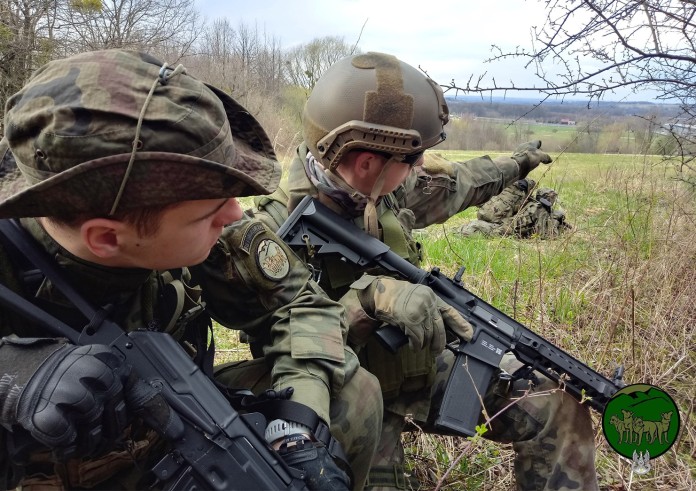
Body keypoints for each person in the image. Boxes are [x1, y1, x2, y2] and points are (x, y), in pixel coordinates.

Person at [0, 49, 383, 490]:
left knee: (348, 393)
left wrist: (297, 424)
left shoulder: (195, 219)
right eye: (210, 214)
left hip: (169, 437)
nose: (237, 215)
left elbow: (300, 304)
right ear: (106, 238)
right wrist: (14, 381)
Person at [251, 52, 599, 491]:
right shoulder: (269, 237)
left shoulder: (385, 189)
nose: (418, 169)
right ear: (366, 163)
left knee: (556, 403)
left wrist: (517, 164)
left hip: (418, 369)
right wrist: (368, 302)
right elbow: (276, 353)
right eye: (412, 158)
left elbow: (459, 184)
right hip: (351, 398)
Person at [457, 181, 572, 238]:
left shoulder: (535, 206)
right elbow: (547, 235)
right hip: (504, 225)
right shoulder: (538, 208)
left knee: (475, 226)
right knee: (476, 226)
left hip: (504, 225)